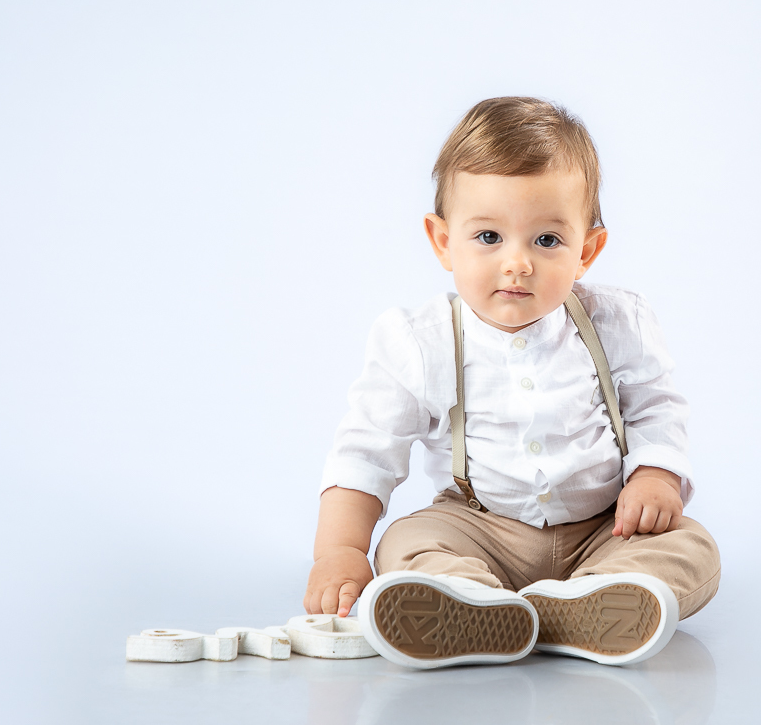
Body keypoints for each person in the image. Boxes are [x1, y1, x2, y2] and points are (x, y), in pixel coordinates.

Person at [304, 97, 720, 669]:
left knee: (691, 545)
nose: (517, 262)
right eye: (489, 237)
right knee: (404, 543)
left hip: (604, 529)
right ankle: (474, 601)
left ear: (587, 251)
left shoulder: (615, 322)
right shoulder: (421, 340)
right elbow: (367, 451)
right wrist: (340, 552)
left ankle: (592, 598)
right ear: (442, 240)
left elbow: (655, 407)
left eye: (546, 241)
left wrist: (654, 477)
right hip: (479, 528)